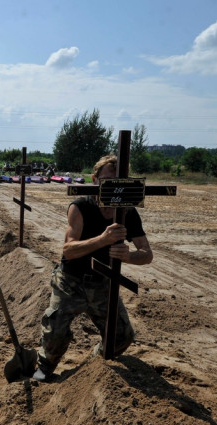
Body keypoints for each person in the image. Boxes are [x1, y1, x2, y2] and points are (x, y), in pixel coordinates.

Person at [29, 154, 153, 382]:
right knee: (55, 331)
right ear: (95, 179)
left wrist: (128, 256)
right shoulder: (81, 206)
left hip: (102, 282)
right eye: (107, 180)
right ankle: (45, 367)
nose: (113, 186)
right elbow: (69, 249)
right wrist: (103, 239)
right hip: (71, 280)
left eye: (119, 181)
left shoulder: (128, 211)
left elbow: (147, 255)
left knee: (121, 337)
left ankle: (91, 366)